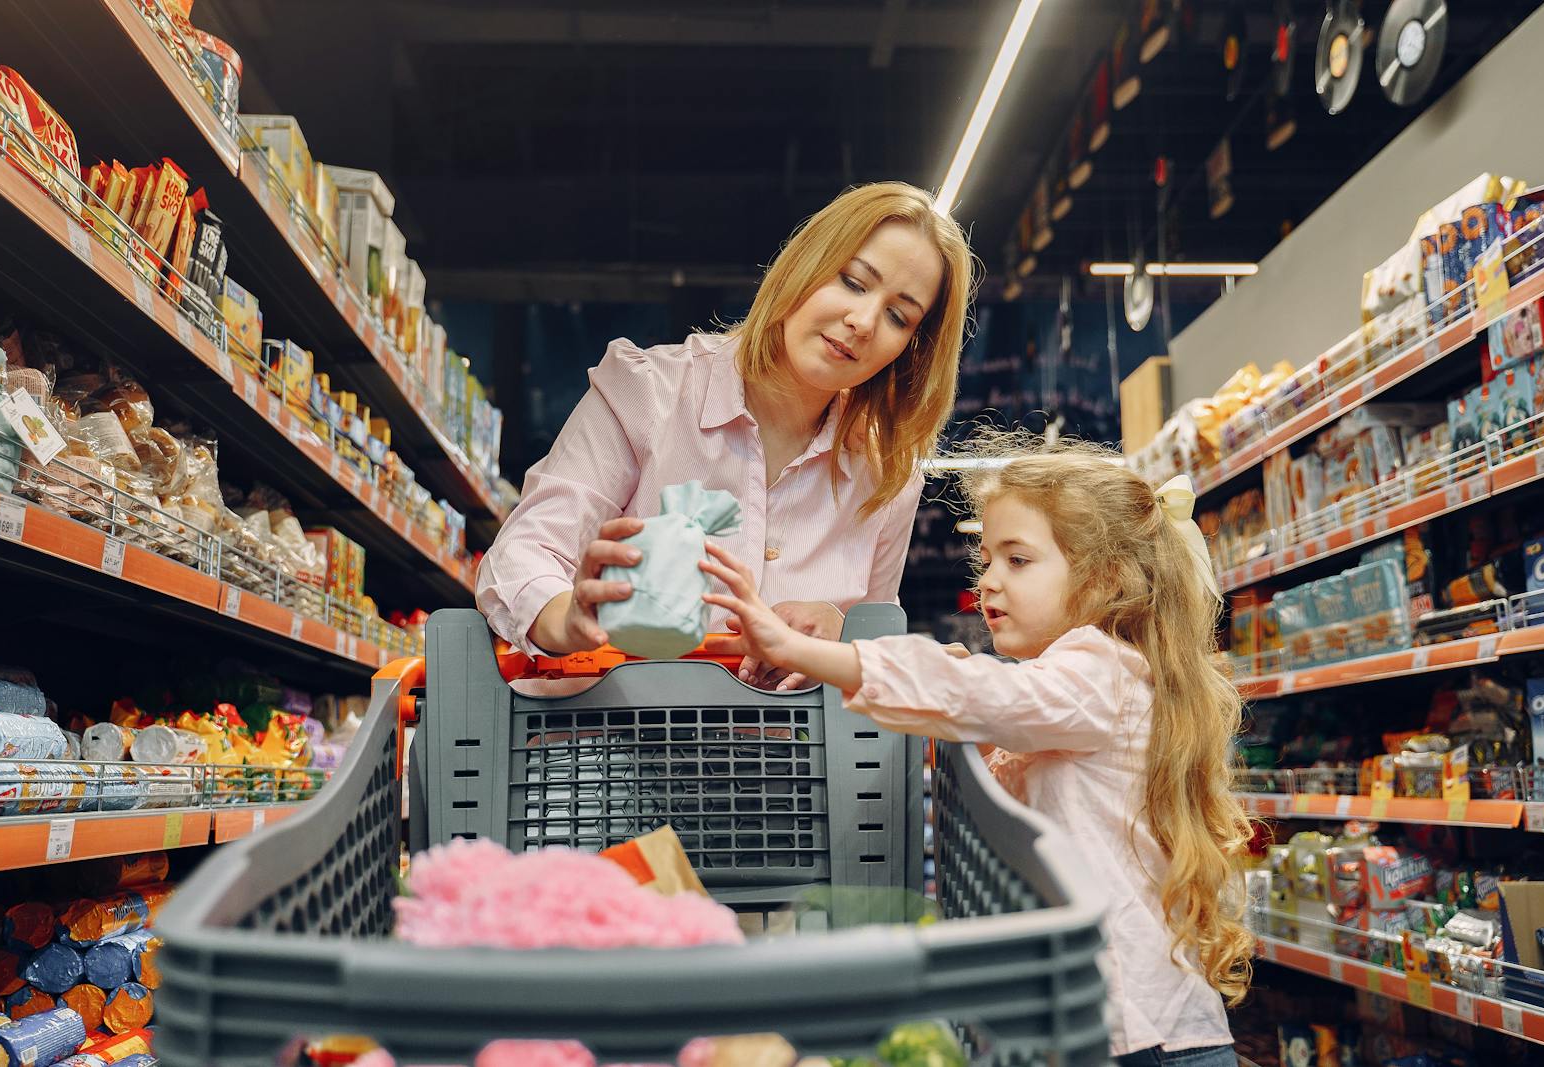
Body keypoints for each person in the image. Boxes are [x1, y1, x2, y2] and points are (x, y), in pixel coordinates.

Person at [698, 436, 1252, 1066]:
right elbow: (1005, 710)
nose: (988, 580)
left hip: (1138, 1034)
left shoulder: (1100, 668)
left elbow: (978, 695)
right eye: (986, 559)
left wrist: (804, 652)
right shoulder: (1085, 681)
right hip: (1129, 1023)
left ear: (1104, 578)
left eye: (1018, 560)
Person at [477, 182, 974, 688]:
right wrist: (569, 617)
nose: (863, 321)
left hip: (793, 763)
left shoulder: (887, 470)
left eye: (898, 316)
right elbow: (524, 554)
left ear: (912, 349)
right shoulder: (648, 394)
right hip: (616, 751)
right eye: (851, 281)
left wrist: (847, 639)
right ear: (805, 264)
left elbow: (875, 639)